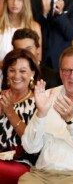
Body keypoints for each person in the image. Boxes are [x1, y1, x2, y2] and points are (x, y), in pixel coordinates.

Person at [19, 47, 73, 184]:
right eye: (67, 70)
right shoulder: (48, 96)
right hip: (41, 174)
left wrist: (71, 121)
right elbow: (30, 147)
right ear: (60, 72)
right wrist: (40, 115)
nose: (72, 76)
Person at [0, 49, 40, 184]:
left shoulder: (39, 102)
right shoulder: (1, 97)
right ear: (6, 73)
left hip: (22, 160)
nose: (16, 75)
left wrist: (10, 112)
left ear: (32, 73)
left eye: (23, 71)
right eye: (12, 70)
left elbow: (32, 143)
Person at [0, 0, 41, 75]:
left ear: (25, 2)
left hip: (25, 78)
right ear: (6, 1)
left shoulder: (34, 27)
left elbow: (38, 59)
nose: (15, 3)